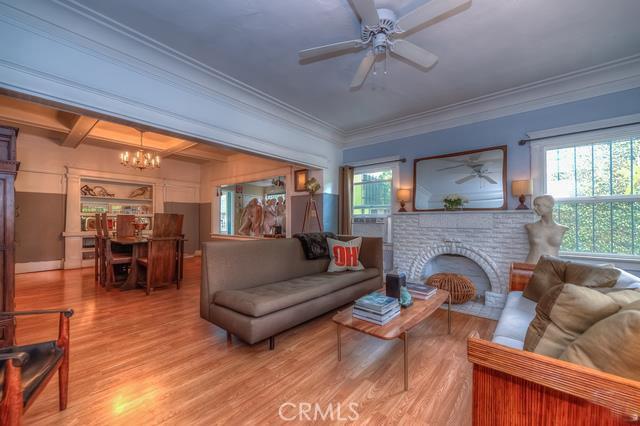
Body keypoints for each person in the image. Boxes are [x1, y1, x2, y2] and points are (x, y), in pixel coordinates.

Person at [525, 195, 568, 264]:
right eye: (534, 205)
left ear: (548, 206)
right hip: (532, 266)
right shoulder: (530, 227)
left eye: (538, 205)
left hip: (553, 268)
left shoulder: (562, 229)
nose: (535, 208)